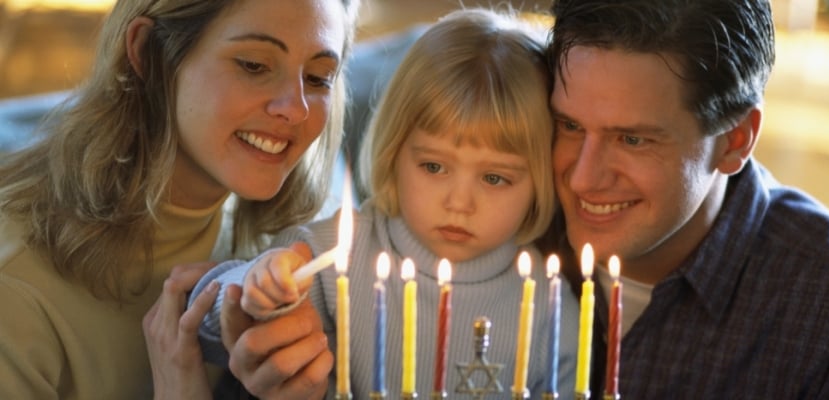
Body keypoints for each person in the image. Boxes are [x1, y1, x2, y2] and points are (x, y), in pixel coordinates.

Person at [190, 8, 581, 399]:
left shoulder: (548, 304)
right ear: (393, 152)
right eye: (433, 166)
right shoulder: (331, 257)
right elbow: (208, 328)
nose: (459, 202)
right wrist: (254, 286)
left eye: (494, 178)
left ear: (540, 181)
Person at [0, 0, 360, 398]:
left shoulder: (293, 251)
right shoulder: (16, 289)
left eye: (317, 77)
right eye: (254, 65)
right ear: (147, 53)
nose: (295, 108)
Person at [537, 0, 829, 398]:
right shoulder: (493, 223)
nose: (583, 178)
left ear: (735, 141)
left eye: (632, 140)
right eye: (569, 125)